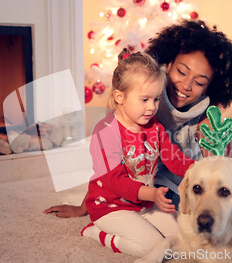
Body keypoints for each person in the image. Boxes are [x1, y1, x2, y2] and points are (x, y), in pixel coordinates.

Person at [44, 19, 232, 217]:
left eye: (200, 82)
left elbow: (212, 167)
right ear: (168, 65)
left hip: (184, 179)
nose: (186, 85)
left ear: (210, 87)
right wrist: (83, 208)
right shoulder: (143, 104)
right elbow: (110, 166)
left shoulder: (205, 116)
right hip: (145, 183)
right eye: (181, 72)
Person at [78, 48, 195, 256]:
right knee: (150, 247)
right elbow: (115, 180)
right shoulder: (106, 131)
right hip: (111, 208)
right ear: (119, 97)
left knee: (185, 236)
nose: (152, 107)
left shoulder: (154, 126)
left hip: (144, 205)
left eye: (156, 99)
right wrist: (152, 193)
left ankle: (142, 222)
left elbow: (173, 157)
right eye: (144, 100)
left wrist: (200, 170)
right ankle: (98, 233)